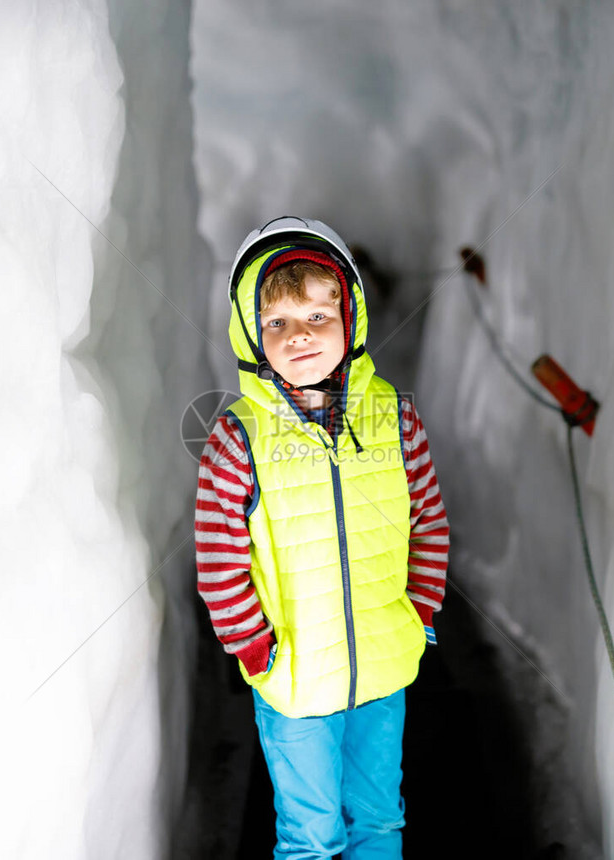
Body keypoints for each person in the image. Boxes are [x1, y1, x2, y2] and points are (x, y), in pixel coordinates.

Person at [195, 216, 449, 859]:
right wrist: (255, 649)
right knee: (310, 837)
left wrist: (416, 612)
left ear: (351, 317)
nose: (300, 337)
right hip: (295, 680)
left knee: (379, 821)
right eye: (277, 322)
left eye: (317, 315)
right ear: (252, 335)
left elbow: (428, 519)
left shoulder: (394, 416)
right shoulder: (238, 438)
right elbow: (218, 558)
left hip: (382, 670)